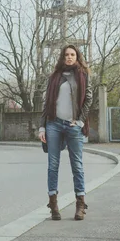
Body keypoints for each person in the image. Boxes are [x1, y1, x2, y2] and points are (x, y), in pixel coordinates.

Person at [38, 44, 93, 221]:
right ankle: (53, 205)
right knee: (53, 165)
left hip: (73, 126)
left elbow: (89, 99)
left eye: (72, 54)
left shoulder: (83, 75)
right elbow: (47, 103)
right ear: (62, 57)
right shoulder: (54, 77)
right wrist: (42, 127)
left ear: (77, 57)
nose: (69, 57)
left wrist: (81, 121)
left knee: (77, 165)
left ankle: (80, 205)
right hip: (53, 124)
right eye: (66, 55)